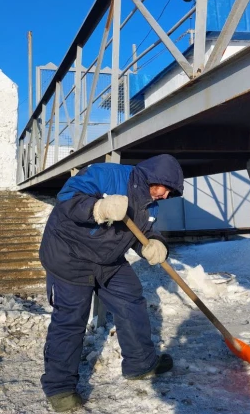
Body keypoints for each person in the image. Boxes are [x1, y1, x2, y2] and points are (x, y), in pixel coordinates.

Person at [39, 154, 184, 412]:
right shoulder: (107, 175)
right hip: (69, 255)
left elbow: (145, 233)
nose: (165, 195)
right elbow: (67, 198)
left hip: (108, 260)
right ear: (152, 178)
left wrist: (155, 244)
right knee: (71, 319)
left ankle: (141, 364)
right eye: (165, 188)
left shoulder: (150, 205)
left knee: (131, 301)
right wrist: (98, 208)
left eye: (170, 192)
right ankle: (60, 388)